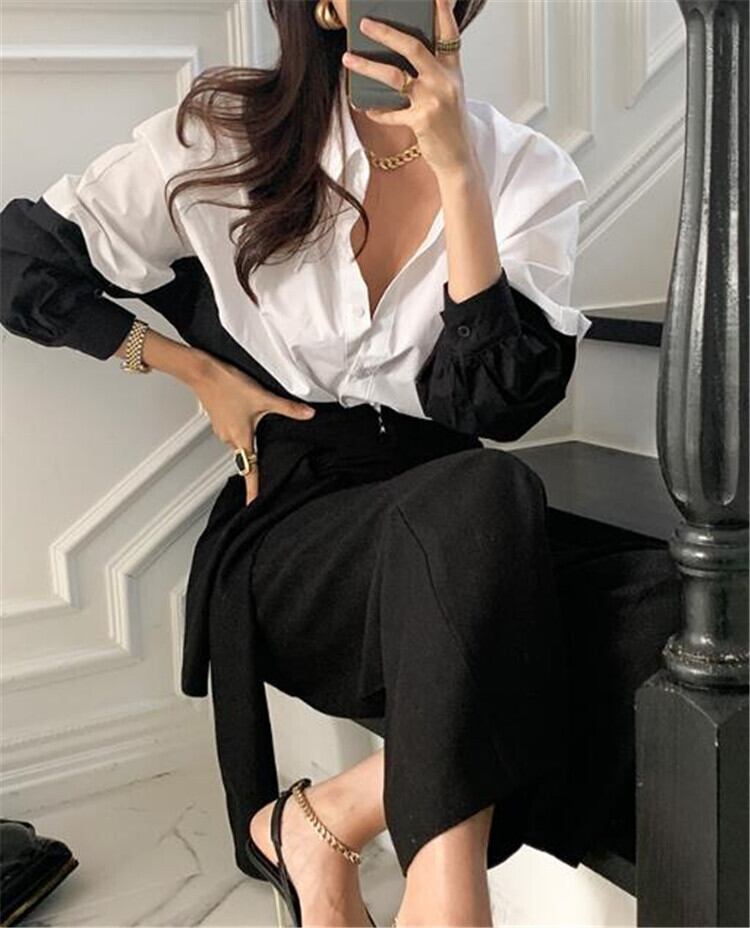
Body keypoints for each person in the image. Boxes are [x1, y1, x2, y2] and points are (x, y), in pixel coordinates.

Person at [0, 1, 609, 925]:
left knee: (642, 609)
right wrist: (196, 370)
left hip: (460, 526)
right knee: (490, 500)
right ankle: (448, 903)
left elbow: (496, 407)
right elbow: (19, 263)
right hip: (297, 522)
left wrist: (457, 171)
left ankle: (327, 823)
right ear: (328, 5)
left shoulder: (527, 170)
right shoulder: (226, 139)